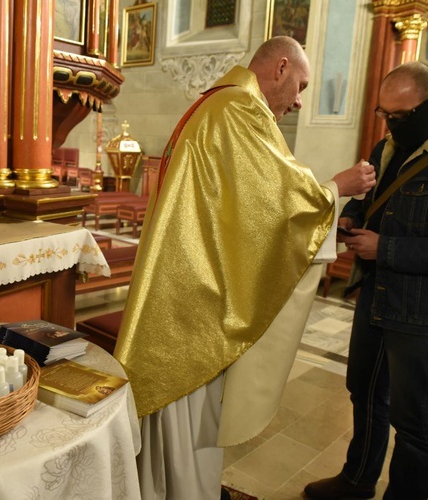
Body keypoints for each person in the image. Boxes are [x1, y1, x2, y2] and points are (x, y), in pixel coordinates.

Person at [113, 36, 376, 500]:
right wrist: (338, 187)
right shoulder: (239, 110)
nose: (298, 100)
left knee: (181, 410)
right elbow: (282, 202)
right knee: (189, 405)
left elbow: (249, 206)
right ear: (280, 67)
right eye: (301, 85)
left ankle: (166, 487)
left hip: (185, 280)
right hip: (195, 293)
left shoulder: (214, 105)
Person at [304, 61, 428, 500]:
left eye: (401, 116)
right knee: (364, 393)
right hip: (377, 295)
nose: (392, 125)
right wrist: (352, 219)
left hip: (425, 311)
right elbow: (372, 200)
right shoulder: (388, 146)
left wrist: (387, 249)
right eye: (385, 115)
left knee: (413, 420)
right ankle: (357, 480)